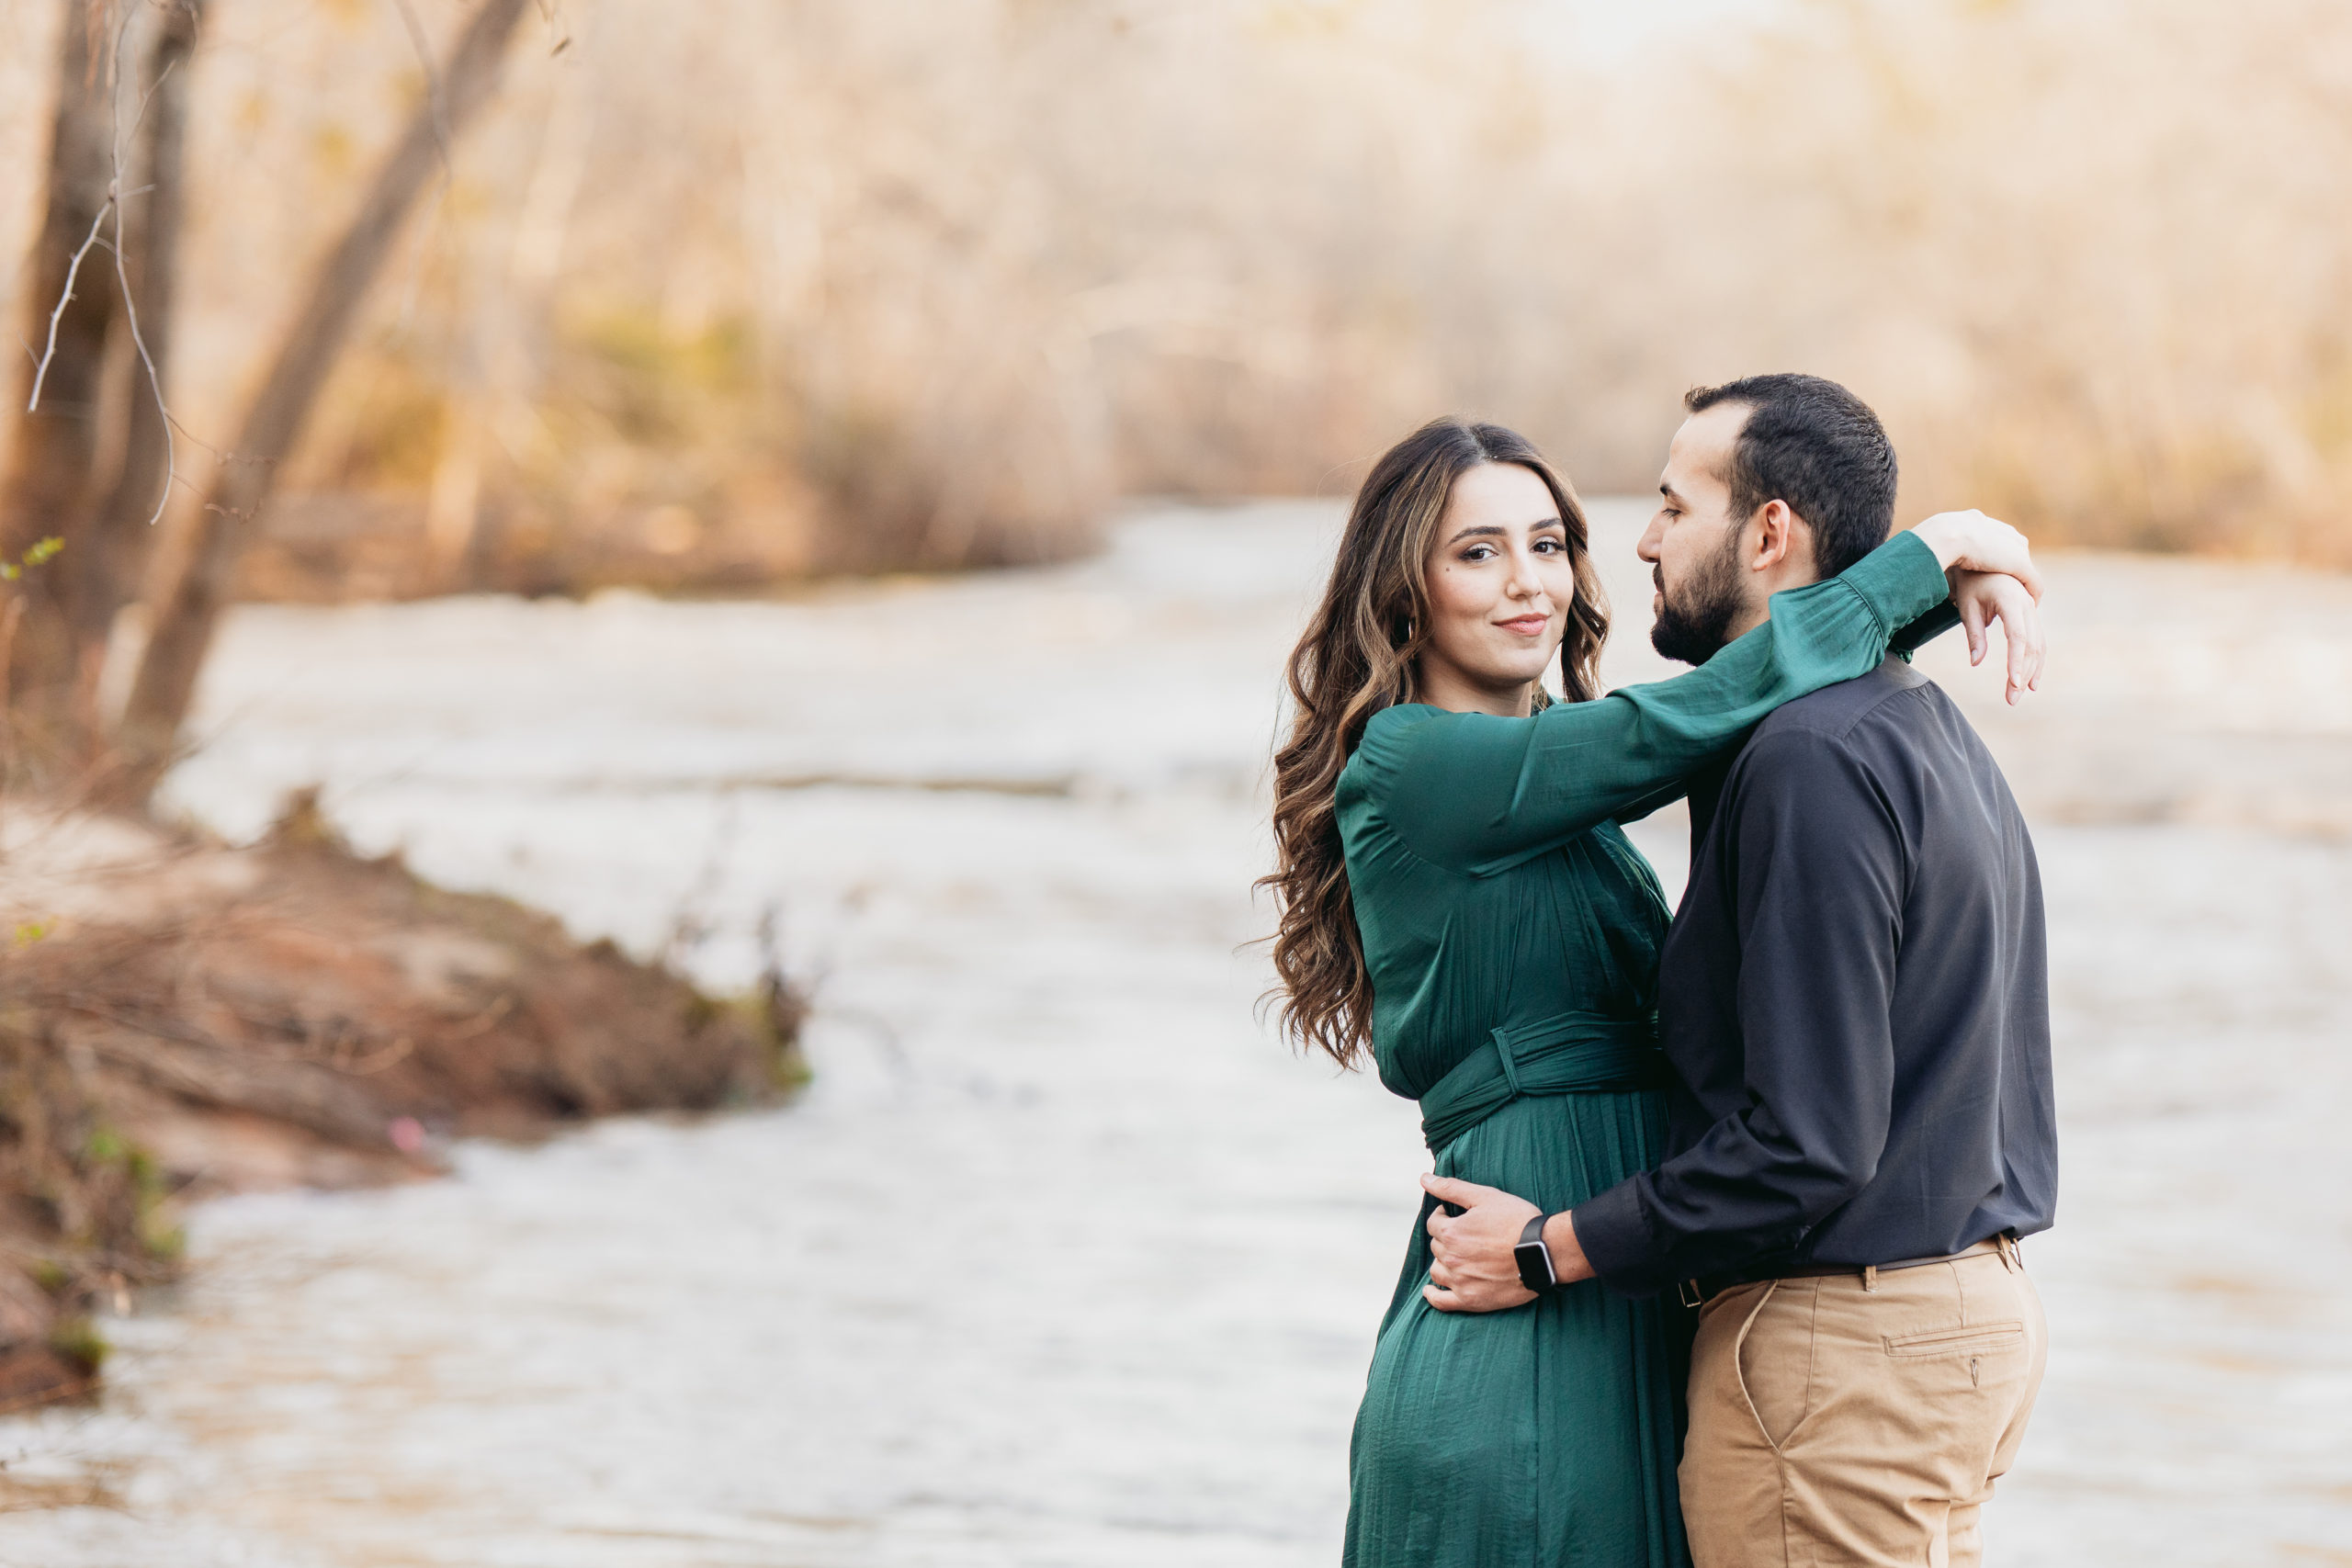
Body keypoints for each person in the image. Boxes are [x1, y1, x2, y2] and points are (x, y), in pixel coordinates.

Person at [1263, 408, 2043, 1568]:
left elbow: (1742, 722)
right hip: (1523, 1280)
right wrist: (1912, 571)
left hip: (1615, 1271)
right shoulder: (1414, 763)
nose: (1529, 582)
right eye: (1477, 552)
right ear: (1403, 592)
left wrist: (1930, 602)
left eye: (1547, 543)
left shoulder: (1556, 780)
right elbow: (1676, 723)